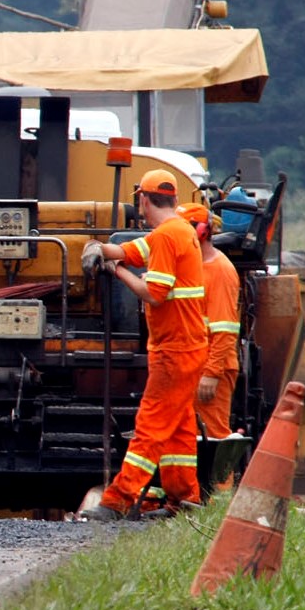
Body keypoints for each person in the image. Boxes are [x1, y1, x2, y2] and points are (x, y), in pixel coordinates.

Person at [85, 169, 208, 518]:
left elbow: (154, 294)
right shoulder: (176, 230)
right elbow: (131, 249)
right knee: (179, 428)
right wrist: (99, 247)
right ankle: (185, 500)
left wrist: (116, 270)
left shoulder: (167, 236)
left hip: (176, 349)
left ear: (143, 199)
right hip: (184, 346)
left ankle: (118, 500)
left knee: (151, 425)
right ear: (172, 198)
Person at [178, 201, 241, 443]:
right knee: (190, 439)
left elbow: (225, 329)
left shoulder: (220, 271)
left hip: (211, 369)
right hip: (192, 366)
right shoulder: (190, 265)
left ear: (201, 232)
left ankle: (218, 483)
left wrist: (212, 374)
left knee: (213, 437)